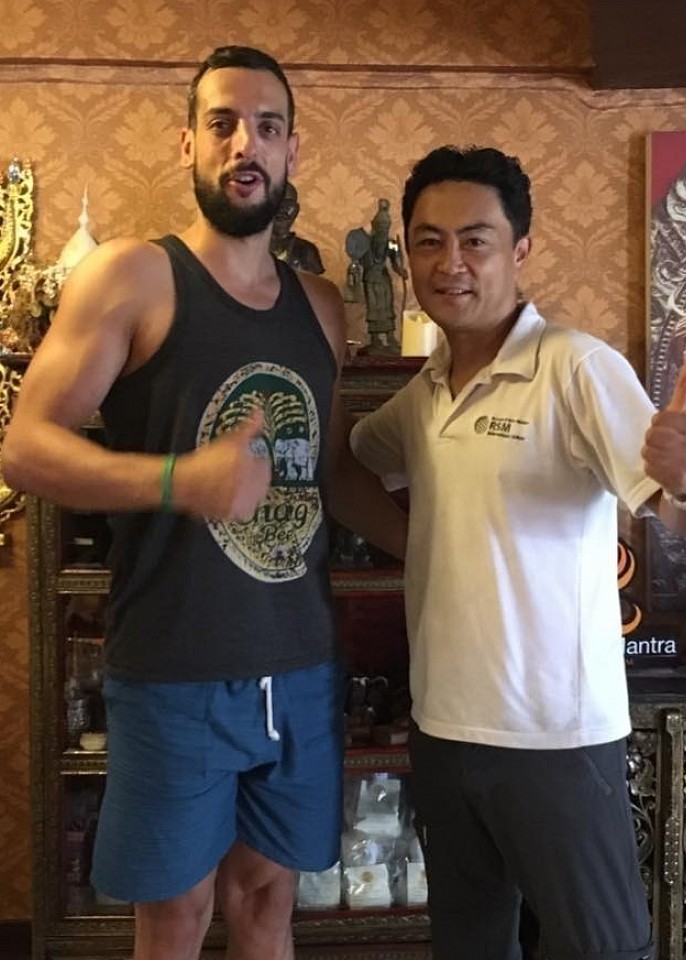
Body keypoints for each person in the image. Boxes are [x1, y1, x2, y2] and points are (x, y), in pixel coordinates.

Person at [4, 45, 405, 960]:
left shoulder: (324, 306)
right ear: (187, 143)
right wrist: (178, 482)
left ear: (293, 150)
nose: (244, 145)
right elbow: (24, 445)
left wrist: (428, 549)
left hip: (300, 667)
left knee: (268, 906)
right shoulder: (132, 276)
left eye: (267, 127)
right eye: (222, 124)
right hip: (174, 667)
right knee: (177, 914)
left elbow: (331, 472)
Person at [350, 144, 686, 960]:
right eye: (429, 241)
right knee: (469, 944)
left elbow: (673, 515)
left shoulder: (574, 367)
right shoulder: (426, 390)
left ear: (521, 249)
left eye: (476, 240)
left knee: (602, 949)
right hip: (442, 728)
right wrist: (418, 544)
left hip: (555, 739)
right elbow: (350, 466)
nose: (451, 263)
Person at [345, 198, 408, 354]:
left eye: (385, 229)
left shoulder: (391, 243)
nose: (382, 232)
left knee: (387, 306)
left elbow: (395, 261)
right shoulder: (364, 242)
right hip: (370, 279)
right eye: (380, 228)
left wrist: (400, 270)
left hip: (384, 278)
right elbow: (356, 257)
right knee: (374, 308)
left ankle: (390, 336)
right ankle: (375, 339)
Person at [270, 180, 325, 274]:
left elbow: (313, 281)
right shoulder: (250, 250)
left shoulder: (307, 251)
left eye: (288, 205)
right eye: (277, 204)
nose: (282, 211)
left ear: (296, 210)